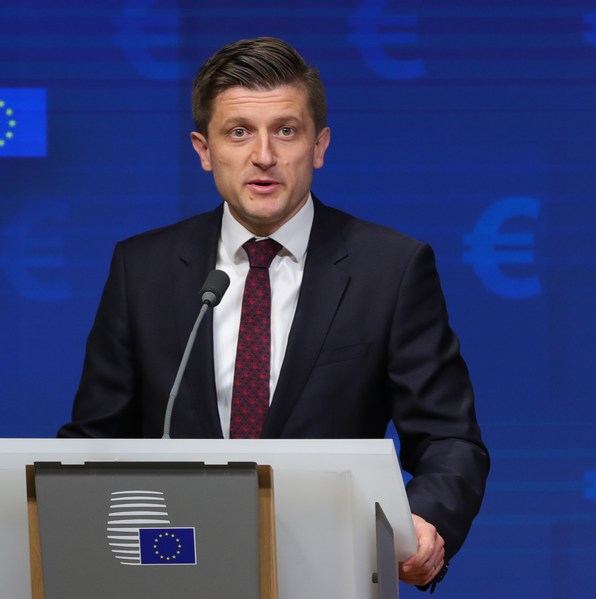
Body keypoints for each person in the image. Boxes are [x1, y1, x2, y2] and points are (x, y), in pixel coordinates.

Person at [58, 37, 489, 591]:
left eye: (286, 131)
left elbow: (449, 438)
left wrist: (425, 519)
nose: (264, 155)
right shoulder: (141, 268)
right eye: (239, 132)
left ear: (319, 146)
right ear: (204, 150)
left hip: (329, 575)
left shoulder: (391, 268)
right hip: (172, 574)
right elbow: (94, 442)